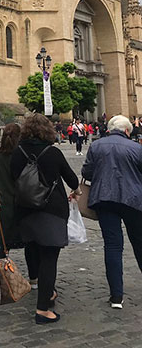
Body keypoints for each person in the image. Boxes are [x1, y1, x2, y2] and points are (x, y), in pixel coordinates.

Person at [10, 113, 80, 324]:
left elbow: (14, 178)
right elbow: (72, 179)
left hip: (25, 210)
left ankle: (46, 291)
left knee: (34, 248)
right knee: (49, 258)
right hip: (51, 210)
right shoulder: (53, 153)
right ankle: (43, 309)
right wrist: (75, 191)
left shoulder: (17, 152)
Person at [81, 114, 142, 309]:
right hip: (133, 200)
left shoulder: (97, 146)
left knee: (113, 246)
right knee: (139, 243)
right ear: (126, 130)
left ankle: (116, 296)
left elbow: (86, 173)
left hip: (105, 198)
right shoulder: (137, 148)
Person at [0, 123, 23, 261]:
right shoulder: (22, 156)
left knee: (1, 245)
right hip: (20, 205)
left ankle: (0, 274)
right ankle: (34, 279)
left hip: (1, 207)